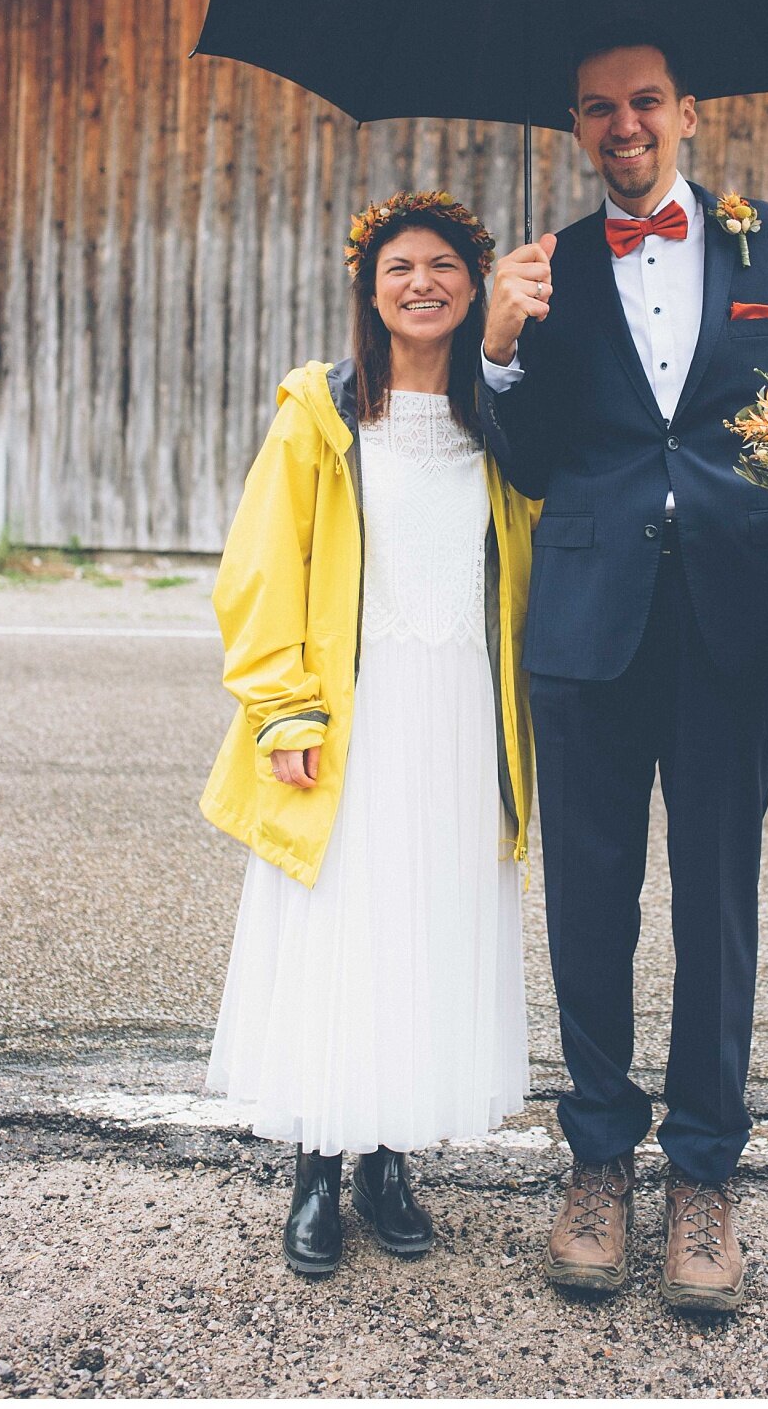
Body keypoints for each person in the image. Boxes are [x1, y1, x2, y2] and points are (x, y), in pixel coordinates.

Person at [477, 31, 768, 1316]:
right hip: (588, 622)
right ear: (577, 125)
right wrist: (496, 346)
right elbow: (532, 459)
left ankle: (704, 1176)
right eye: (598, 109)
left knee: (717, 907)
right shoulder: (541, 270)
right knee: (590, 902)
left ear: (688, 112)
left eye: (644, 102)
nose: (624, 126)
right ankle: (598, 1162)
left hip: (733, 613)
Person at [203, 191, 539, 1278]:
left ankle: (388, 1156)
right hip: (350, 713)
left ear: (477, 284)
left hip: (460, 714)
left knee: (422, 927)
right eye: (400, 266)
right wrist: (282, 707)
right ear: (369, 284)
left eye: (445, 265)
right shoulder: (321, 409)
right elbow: (263, 568)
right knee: (340, 923)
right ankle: (315, 1165)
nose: (424, 283)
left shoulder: (505, 427)